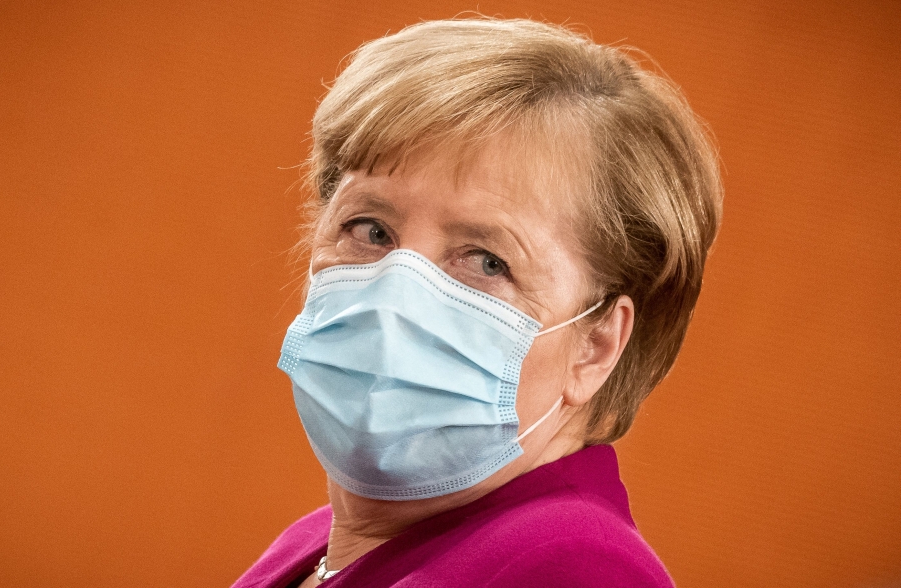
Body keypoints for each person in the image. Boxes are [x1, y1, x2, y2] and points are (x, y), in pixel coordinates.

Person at [234, 17, 721, 588]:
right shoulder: (310, 544)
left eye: (488, 261)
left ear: (596, 345)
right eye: (370, 229)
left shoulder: (576, 569)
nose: (395, 295)